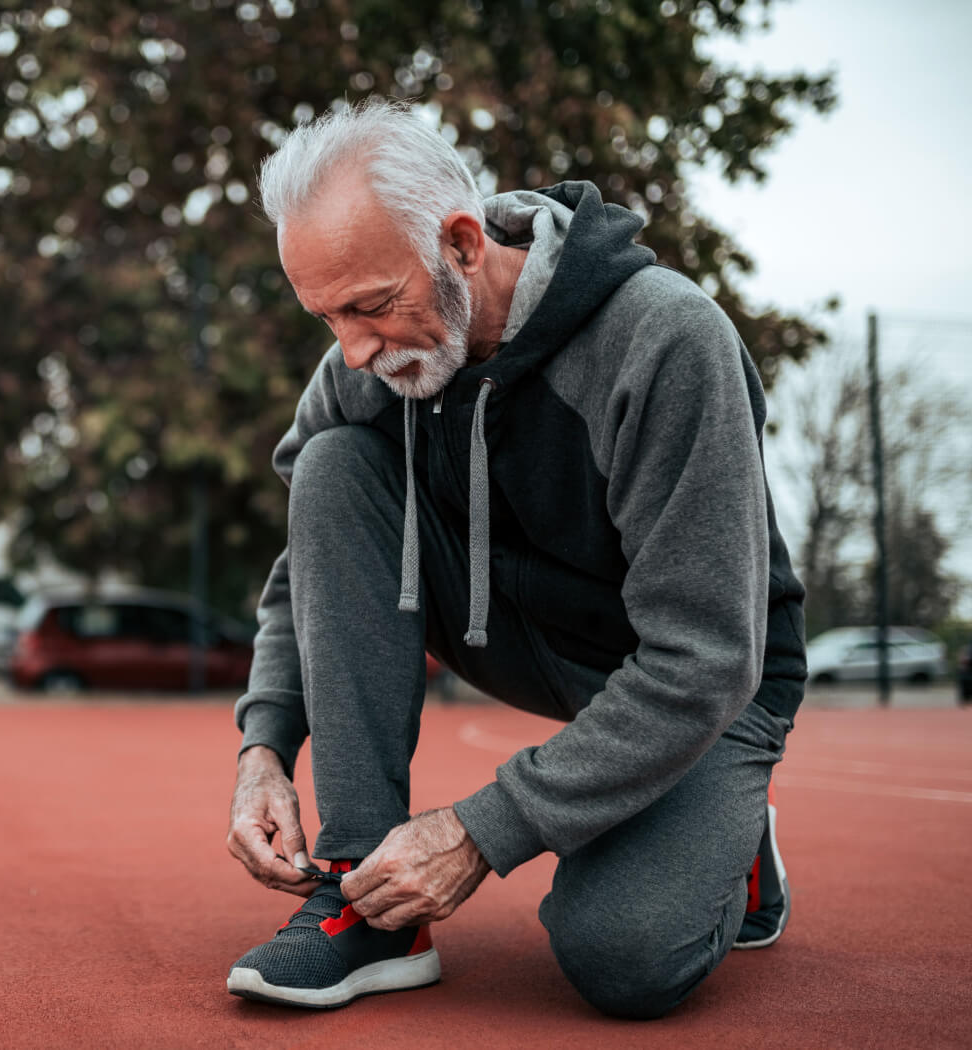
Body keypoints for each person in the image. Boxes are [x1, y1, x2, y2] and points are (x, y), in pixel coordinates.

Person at [224, 97, 805, 1019]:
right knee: (330, 469)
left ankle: (731, 840)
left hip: (700, 683)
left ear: (461, 244)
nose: (354, 350)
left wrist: (477, 832)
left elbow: (706, 657)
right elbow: (310, 561)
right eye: (325, 317)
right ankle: (367, 901)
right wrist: (263, 749)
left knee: (624, 954)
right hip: (521, 638)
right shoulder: (364, 363)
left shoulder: (664, 340)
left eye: (371, 307)